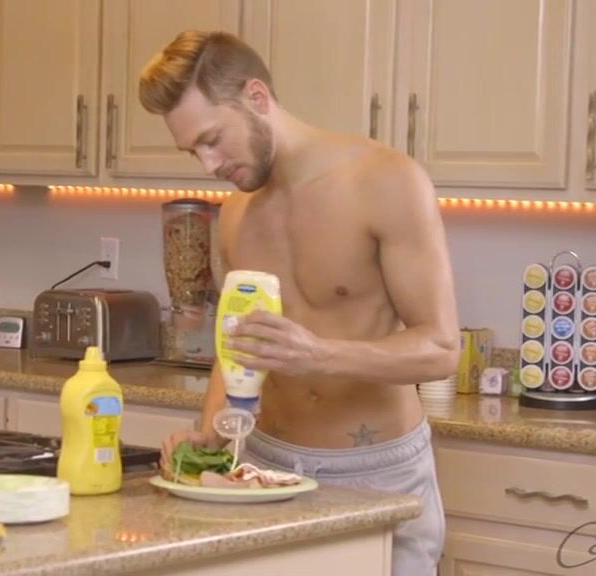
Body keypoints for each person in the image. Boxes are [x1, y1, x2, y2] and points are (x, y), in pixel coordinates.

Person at [140, 31, 460, 575]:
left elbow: (441, 349)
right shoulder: (236, 214)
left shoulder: (386, 181)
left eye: (213, 139)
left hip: (375, 473)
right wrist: (212, 431)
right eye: (193, 150)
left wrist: (319, 355)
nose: (208, 164)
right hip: (265, 470)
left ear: (256, 97)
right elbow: (238, 346)